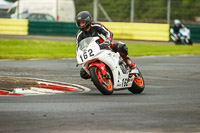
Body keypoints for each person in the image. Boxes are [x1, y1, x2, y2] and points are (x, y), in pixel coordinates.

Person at [76, 11, 135, 79]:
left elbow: (108, 32)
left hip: (106, 46)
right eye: (80, 23)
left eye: (83, 22)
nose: (82, 25)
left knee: (121, 47)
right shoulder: (79, 35)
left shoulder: (96, 26)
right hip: (93, 52)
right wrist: (79, 57)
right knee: (83, 73)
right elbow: (78, 47)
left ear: (88, 20)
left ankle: (130, 65)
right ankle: (98, 76)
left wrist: (108, 40)